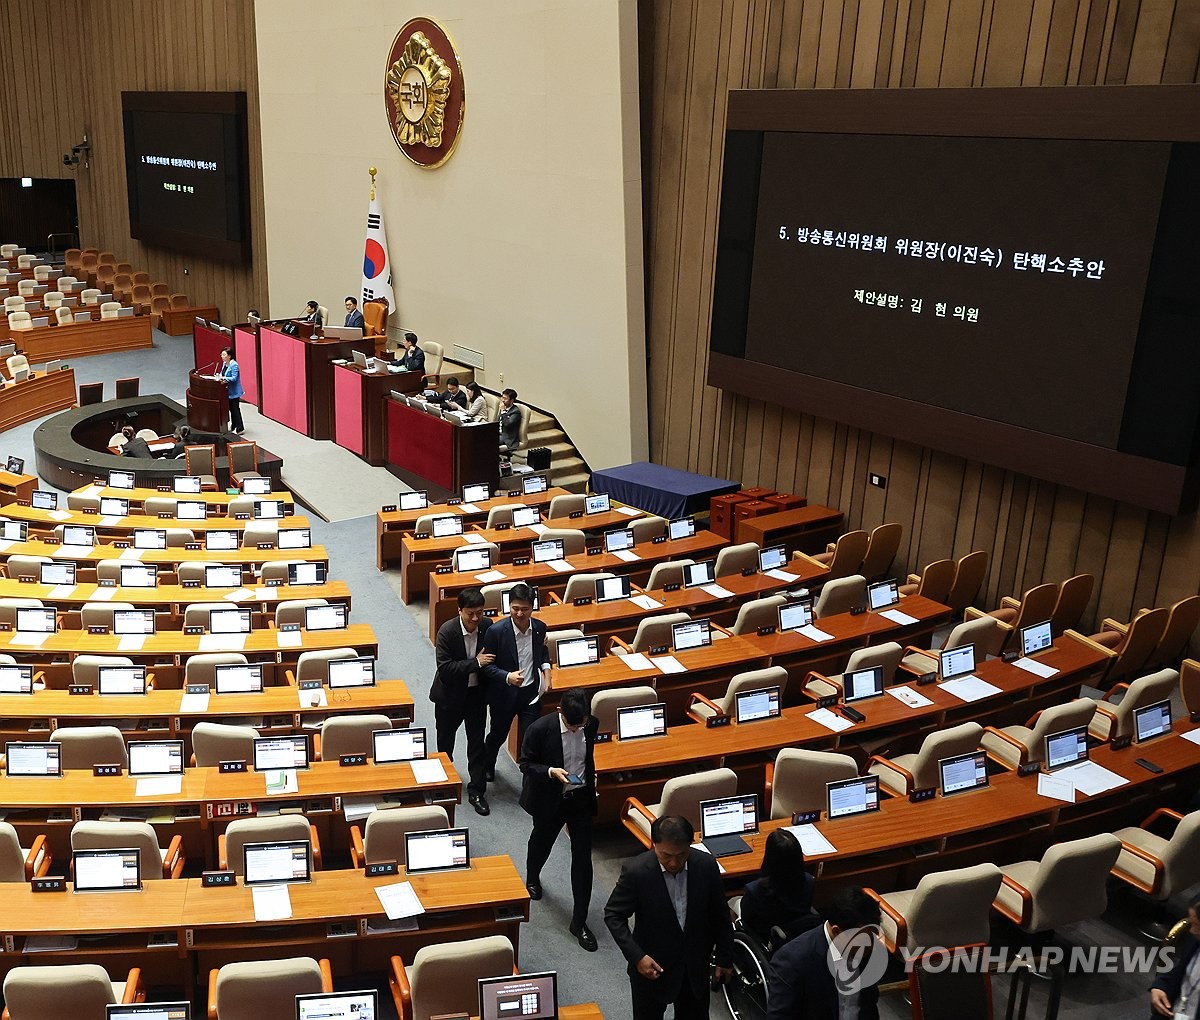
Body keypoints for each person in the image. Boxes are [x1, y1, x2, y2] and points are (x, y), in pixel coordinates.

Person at [604, 814, 734, 1020]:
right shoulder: (636, 872)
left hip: (694, 969)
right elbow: (613, 915)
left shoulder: (706, 866)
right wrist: (637, 957)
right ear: (654, 845)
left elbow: (720, 915)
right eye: (666, 855)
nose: (674, 862)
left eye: (681, 855)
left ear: (690, 845)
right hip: (652, 968)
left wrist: (725, 958)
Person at [518, 687, 599, 952]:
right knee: (541, 843)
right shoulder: (539, 729)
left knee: (583, 859)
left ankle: (579, 921)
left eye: (581, 725)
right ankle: (532, 877)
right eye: (572, 726)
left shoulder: (590, 724)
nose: (577, 730)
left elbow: (588, 758)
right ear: (559, 711)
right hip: (550, 798)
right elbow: (526, 764)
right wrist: (551, 771)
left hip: (580, 800)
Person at [476, 582, 548, 815]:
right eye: (515, 608)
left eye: (524, 609)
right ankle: (488, 766)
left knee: (530, 741)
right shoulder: (496, 631)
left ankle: (528, 791)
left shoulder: (540, 628)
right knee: (497, 734)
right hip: (504, 693)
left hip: (530, 694)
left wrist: (546, 671)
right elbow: (486, 667)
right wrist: (507, 677)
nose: (519, 613)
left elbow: (542, 652)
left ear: (532, 608)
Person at [764, 885, 883, 1020]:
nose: (872, 946)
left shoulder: (865, 946)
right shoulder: (791, 963)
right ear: (837, 931)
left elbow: (869, 1003)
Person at [430, 588, 495, 799]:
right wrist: (475, 663)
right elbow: (445, 669)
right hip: (449, 697)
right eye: (470, 613)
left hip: (476, 696)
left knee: (477, 744)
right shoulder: (447, 632)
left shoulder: (487, 627)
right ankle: (445, 784)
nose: (475, 618)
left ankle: (477, 791)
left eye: (480, 612)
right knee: (445, 743)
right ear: (460, 611)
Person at [740, 828, 818, 944]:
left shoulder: (755, 891)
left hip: (767, 940)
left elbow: (746, 921)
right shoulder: (809, 881)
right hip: (797, 936)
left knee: (732, 902)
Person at [1150, 895, 1200, 1018]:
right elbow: (1179, 969)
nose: (1191, 930)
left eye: (1197, 925)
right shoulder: (1195, 940)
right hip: (1172, 1012)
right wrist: (1159, 986)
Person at [218, 346, 245, 434]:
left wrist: (223, 377)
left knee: (235, 409)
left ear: (229, 356)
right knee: (230, 409)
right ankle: (234, 425)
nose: (222, 356)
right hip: (226, 391)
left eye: (224, 355)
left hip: (234, 391)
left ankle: (240, 427)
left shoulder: (234, 365)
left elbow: (233, 378)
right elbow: (223, 374)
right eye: (221, 354)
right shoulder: (224, 363)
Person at [498, 388, 522, 456]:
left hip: (508, 438)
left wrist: (503, 412)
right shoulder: (503, 407)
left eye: (505, 398)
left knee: (488, 443)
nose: (503, 400)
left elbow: (507, 424)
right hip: (499, 434)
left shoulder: (515, 412)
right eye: (502, 397)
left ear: (512, 400)